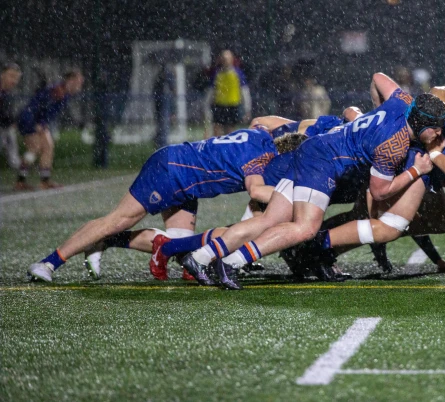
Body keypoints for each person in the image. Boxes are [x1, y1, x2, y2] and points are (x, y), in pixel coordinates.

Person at [180, 73, 445, 285]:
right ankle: (230, 264)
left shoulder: (402, 100)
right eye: (435, 129)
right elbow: (379, 192)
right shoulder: (395, 145)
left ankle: (201, 257)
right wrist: (416, 171)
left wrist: (374, 114)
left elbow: (378, 77)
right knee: (305, 228)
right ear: (422, 126)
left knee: (270, 220)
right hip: (324, 163)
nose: (438, 135)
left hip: (313, 149)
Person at [27, 126, 281, 282]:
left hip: (185, 177)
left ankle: (107, 242)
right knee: (116, 221)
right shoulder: (262, 159)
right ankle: (48, 262)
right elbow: (257, 190)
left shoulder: (262, 135)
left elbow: (267, 121)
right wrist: (288, 200)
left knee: (178, 247)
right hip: (170, 172)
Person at [16, 69, 84, 190]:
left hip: (37, 121)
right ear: (70, 80)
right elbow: (39, 106)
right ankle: (20, 181)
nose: (80, 85)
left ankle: (44, 181)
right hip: (29, 120)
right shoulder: (57, 91)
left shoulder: (64, 93)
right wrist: (38, 123)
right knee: (34, 148)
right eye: (78, 82)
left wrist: (43, 122)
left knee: (48, 147)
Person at [206, 50, 252, 137]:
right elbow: (211, 90)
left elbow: (245, 91)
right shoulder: (217, 74)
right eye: (223, 58)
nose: (225, 60)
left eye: (227, 58)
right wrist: (206, 105)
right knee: (217, 128)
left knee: (230, 130)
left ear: (231, 59)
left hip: (232, 105)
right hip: (219, 104)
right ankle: (217, 148)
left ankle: (228, 148)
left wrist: (247, 108)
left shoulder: (238, 73)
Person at [0, 63, 23, 175]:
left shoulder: (7, 92)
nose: (14, 80)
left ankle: (21, 171)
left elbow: (6, 111)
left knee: (11, 141)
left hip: (4, 126)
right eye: (11, 76)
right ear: (2, 75)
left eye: (17, 78)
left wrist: (11, 121)